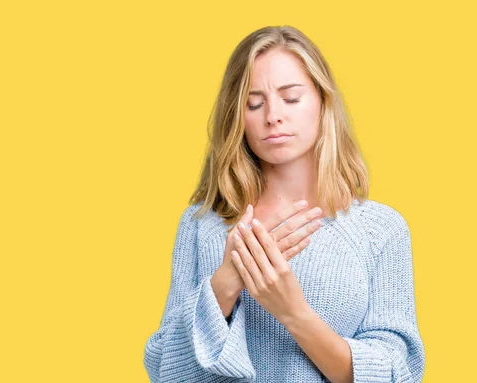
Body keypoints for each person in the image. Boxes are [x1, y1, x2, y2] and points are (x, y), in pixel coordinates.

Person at [143, 25, 425, 383]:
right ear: (237, 116)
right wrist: (227, 282)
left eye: (291, 98)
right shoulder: (202, 225)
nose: (273, 116)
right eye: (254, 103)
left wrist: (293, 312)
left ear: (324, 102)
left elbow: (397, 373)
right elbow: (165, 369)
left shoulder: (380, 230)